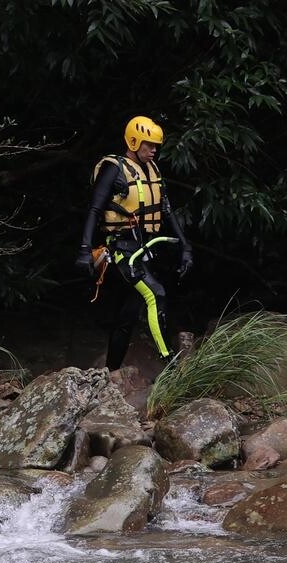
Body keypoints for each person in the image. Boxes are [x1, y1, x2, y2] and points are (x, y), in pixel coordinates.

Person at [76, 115, 193, 371]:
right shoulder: (114, 169)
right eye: (149, 145)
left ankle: (111, 373)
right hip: (121, 251)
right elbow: (95, 209)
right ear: (133, 141)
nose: (154, 150)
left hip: (144, 251)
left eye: (155, 146)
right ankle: (173, 369)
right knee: (156, 294)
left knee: (126, 316)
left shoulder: (152, 169)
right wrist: (85, 249)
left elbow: (167, 211)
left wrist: (186, 247)